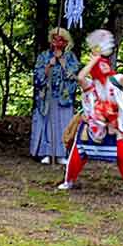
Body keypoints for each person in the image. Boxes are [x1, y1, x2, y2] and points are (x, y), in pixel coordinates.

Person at [58, 32, 123, 197]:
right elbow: (80, 77)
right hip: (91, 124)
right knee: (78, 153)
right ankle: (69, 181)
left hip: (110, 124)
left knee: (122, 155)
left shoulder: (114, 81)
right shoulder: (90, 84)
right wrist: (94, 60)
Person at [30, 28, 81, 165]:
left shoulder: (70, 57)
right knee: (47, 124)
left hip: (63, 96)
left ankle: (61, 153)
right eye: (54, 39)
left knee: (63, 124)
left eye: (60, 40)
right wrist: (48, 66)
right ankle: (47, 153)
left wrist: (63, 63)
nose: (57, 42)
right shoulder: (44, 56)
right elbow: (37, 76)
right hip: (47, 96)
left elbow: (74, 75)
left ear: (65, 42)